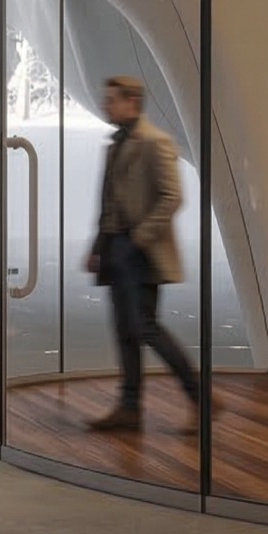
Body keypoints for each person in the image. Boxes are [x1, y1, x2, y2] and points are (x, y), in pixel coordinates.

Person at [84, 76, 201, 431]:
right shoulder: (115, 145)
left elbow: (173, 197)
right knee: (125, 330)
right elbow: (109, 203)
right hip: (118, 249)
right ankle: (129, 407)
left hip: (140, 251)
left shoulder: (155, 142)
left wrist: (139, 237)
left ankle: (200, 397)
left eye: (112, 100)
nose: (106, 105)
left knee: (146, 327)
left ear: (132, 102)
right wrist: (99, 247)